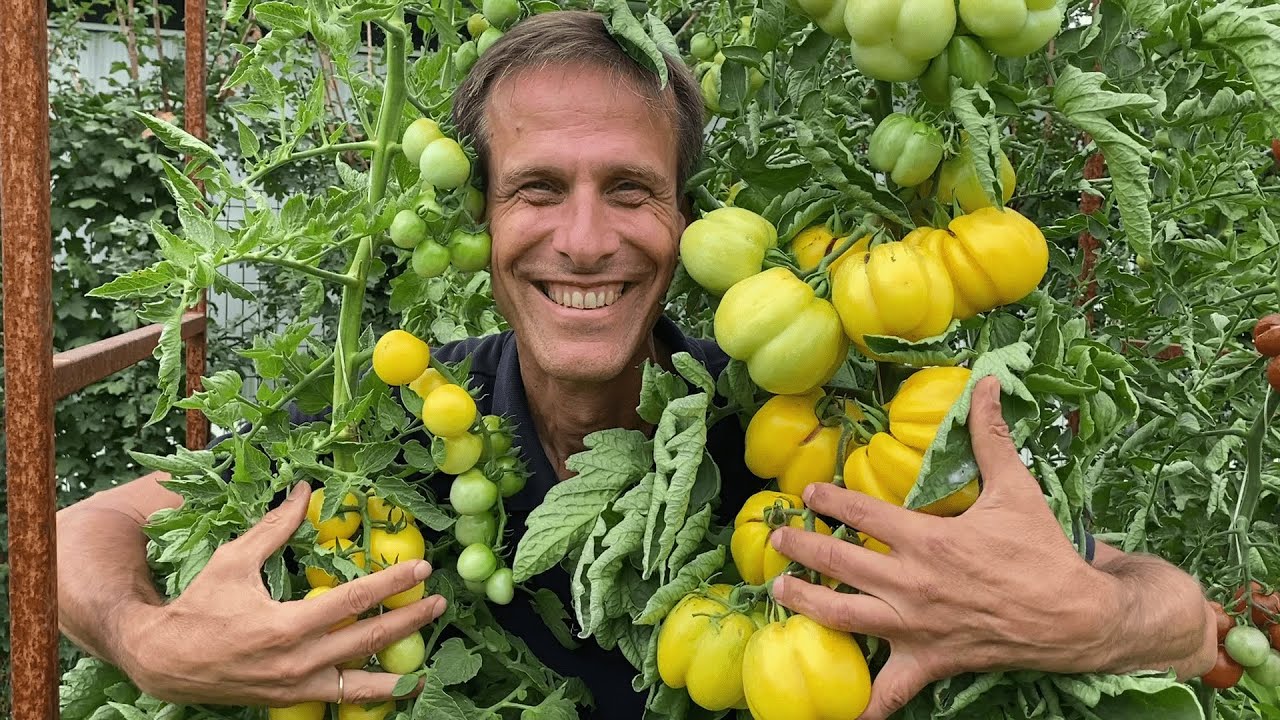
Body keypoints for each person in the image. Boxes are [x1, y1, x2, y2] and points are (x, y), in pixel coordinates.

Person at [56, 9, 1217, 720]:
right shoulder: (388, 425)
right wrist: (149, 641)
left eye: (629, 189)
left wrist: (1096, 625)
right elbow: (72, 535)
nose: (582, 239)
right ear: (485, 222)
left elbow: (1176, 613)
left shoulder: (800, 425)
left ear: (684, 221)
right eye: (535, 189)